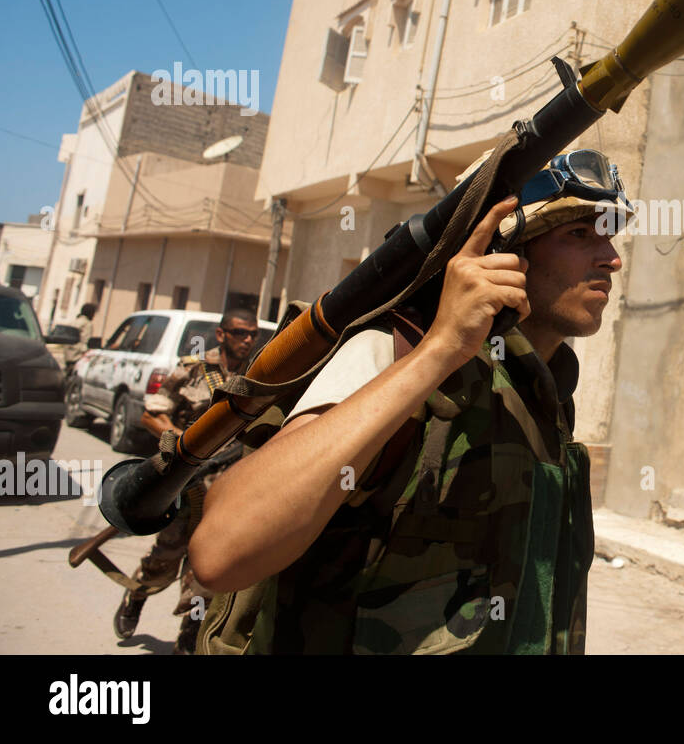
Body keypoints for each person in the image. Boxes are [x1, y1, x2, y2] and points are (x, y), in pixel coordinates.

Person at [189, 149, 633, 654]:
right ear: (502, 248)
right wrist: (441, 350)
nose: (611, 258)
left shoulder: (545, 388)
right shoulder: (394, 354)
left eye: (610, 234)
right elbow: (221, 551)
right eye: (579, 234)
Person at [112, 307, 261, 653]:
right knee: (165, 558)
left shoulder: (259, 374)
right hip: (187, 487)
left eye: (253, 334)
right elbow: (152, 414)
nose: (248, 340)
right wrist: (185, 449)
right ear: (222, 335)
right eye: (241, 333)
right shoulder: (193, 369)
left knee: (206, 570)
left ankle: (188, 639)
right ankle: (137, 594)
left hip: (225, 490)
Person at [64, 302, 97, 369]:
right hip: (78, 357)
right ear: (90, 313)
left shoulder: (74, 322)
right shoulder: (87, 324)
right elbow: (85, 341)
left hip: (68, 355)